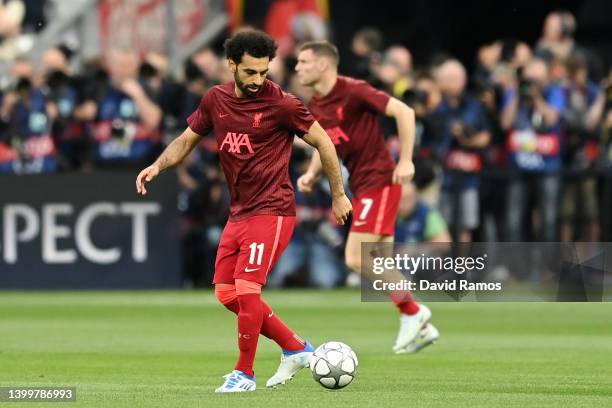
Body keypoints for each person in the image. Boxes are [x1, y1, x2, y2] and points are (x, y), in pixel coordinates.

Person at [135, 30, 352, 393]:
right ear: (231, 65)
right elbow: (187, 140)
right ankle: (296, 348)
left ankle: (244, 374)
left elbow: (324, 142)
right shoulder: (215, 100)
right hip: (239, 214)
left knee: (248, 290)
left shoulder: (282, 104)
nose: (258, 81)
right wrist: (158, 166)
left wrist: (338, 195)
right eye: (250, 72)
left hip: (274, 210)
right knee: (225, 293)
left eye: (264, 72)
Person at [295, 40, 435, 354]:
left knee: (356, 258)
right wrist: (313, 173)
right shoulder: (317, 105)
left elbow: (405, 111)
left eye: (303, 62)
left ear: (323, 65)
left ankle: (414, 312)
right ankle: (419, 324)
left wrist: (406, 159)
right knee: (381, 262)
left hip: (381, 181)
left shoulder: (354, 90)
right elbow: (327, 145)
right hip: (363, 185)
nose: (297, 68)